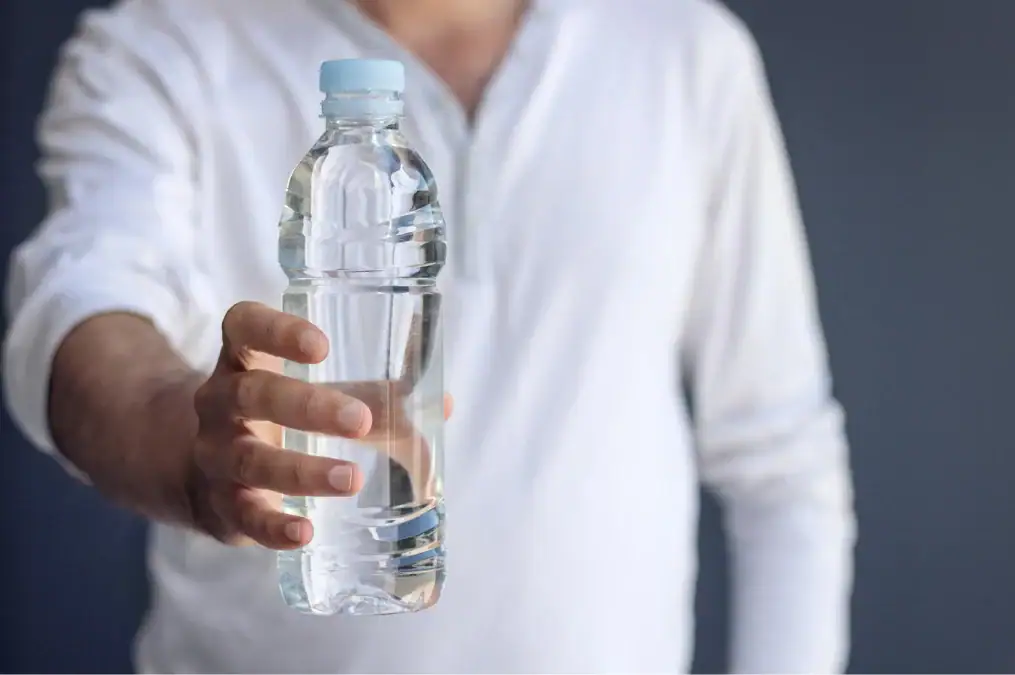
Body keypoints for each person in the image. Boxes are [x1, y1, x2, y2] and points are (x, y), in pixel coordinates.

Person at [3, 0, 856, 672]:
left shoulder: (684, 51)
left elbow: (779, 456)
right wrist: (179, 435)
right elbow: (83, 299)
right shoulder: (162, 47)